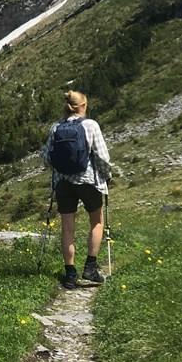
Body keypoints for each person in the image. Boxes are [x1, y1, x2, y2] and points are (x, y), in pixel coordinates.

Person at [43, 90, 112, 289]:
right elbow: (102, 157)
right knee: (97, 221)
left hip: (63, 183)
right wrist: (107, 176)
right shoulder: (90, 125)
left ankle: (70, 274)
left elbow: (47, 156)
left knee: (67, 227)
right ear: (83, 106)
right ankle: (90, 267)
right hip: (89, 180)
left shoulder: (56, 127)